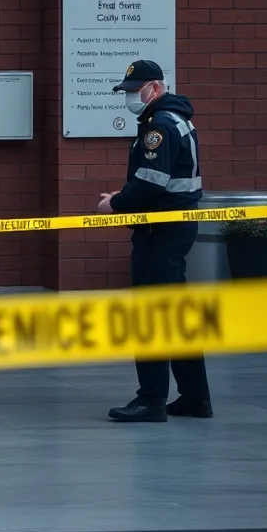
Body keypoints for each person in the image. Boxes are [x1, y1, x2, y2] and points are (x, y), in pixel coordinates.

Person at [100, 60, 211, 423]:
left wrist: (114, 204)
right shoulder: (175, 118)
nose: (132, 96)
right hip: (174, 225)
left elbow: (151, 181)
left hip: (160, 231)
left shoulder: (159, 125)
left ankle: (150, 400)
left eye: (137, 89)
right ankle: (195, 398)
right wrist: (129, 194)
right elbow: (160, 179)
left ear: (156, 87)